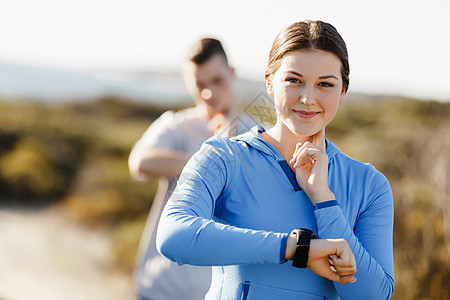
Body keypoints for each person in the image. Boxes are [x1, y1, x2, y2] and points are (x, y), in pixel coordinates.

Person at [156, 20, 395, 300]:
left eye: (325, 84)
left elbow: (374, 295)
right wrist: (295, 248)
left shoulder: (369, 185)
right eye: (293, 80)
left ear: (343, 91)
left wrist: (324, 200)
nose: (308, 98)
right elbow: (174, 235)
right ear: (270, 83)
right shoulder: (222, 157)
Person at [128, 38, 255, 300]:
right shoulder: (176, 124)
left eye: (217, 81)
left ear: (232, 74)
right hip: (159, 287)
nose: (208, 92)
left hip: (218, 292)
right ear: (187, 81)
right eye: (199, 84)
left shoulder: (256, 133)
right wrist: (207, 162)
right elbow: (140, 162)